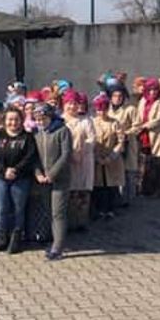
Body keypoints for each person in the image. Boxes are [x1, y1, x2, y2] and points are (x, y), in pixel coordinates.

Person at [0, 108, 37, 254]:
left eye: (16, 119)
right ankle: (2, 238)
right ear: (5, 121)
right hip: (1, 178)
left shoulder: (27, 137)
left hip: (20, 178)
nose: (13, 122)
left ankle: (16, 239)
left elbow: (30, 157)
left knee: (18, 209)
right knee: (2, 209)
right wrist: (4, 170)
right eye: (10, 119)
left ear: (21, 121)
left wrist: (15, 170)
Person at [32, 104, 71, 261]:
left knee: (58, 213)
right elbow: (33, 156)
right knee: (49, 211)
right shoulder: (36, 133)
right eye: (37, 119)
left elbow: (66, 154)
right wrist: (38, 173)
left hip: (59, 179)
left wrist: (52, 174)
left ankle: (58, 248)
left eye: (43, 118)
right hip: (42, 180)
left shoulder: (62, 131)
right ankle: (52, 239)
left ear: (50, 117)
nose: (40, 122)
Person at [62, 90, 95, 231]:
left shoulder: (86, 121)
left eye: (74, 103)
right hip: (66, 160)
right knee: (68, 192)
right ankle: (68, 222)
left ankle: (81, 221)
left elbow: (92, 139)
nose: (72, 107)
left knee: (82, 192)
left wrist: (82, 151)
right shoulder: (60, 121)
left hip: (84, 160)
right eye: (69, 104)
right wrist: (71, 154)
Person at [91, 93, 125, 220]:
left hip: (112, 159)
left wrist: (111, 157)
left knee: (111, 185)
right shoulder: (92, 122)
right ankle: (99, 209)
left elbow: (120, 141)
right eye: (99, 109)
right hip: (97, 159)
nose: (102, 112)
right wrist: (96, 157)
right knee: (98, 185)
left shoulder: (115, 123)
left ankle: (111, 209)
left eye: (104, 109)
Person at [107, 83, 141, 207]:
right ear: (110, 97)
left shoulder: (130, 109)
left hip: (127, 144)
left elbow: (137, 126)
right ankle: (116, 199)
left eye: (120, 96)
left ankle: (128, 199)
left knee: (128, 173)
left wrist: (125, 133)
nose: (117, 98)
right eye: (115, 96)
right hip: (112, 145)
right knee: (115, 172)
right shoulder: (107, 110)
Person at [137, 78, 160, 197]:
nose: (153, 92)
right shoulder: (142, 100)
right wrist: (138, 126)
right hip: (144, 136)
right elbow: (139, 115)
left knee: (159, 163)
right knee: (146, 162)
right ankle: (145, 188)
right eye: (150, 90)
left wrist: (144, 126)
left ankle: (158, 190)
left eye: (155, 89)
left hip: (158, 136)